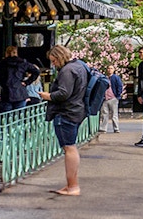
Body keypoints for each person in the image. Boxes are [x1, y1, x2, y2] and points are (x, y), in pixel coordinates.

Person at [40, 45, 88, 196]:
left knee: (69, 148)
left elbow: (63, 93)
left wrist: (48, 96)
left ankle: (73, 186)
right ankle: (71, 185)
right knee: (70, 147)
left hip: (66, 112)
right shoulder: (79, 66)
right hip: (76, 110)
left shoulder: (67, 71)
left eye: (54, 61)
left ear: (59, 57)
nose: (53, 64)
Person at [0, 46, 40, 112]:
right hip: (20, 92)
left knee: (6, 117)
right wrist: (27, 82)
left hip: (6, 93)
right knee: (19, 116)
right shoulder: (23, 63)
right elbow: (36, 71)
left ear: (6, 53)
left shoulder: (3, 63)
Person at [99, 66, 122, 133]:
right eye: (108, 68)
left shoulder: (116, 77)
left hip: (113, 98)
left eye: (111, 68)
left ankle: (116, 128)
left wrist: (117, 96)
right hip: (105, 98)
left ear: (114, 70)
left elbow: (119, 86)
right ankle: (103, 128)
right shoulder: (103, 78)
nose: (109, 70)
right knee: (104, 114)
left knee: (114, 114)